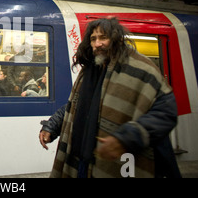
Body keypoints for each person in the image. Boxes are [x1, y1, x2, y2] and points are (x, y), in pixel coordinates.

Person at [39, 18, 180, 178]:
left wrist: (127, 137)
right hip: (80, 162)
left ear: (117, 39)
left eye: (103, 37)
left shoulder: (143, 70)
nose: (97, 44)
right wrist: (53, 125)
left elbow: (166, 113)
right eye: (93, 39)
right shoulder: (89, 70)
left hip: (119, 166)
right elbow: (77, 106)